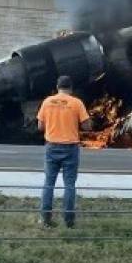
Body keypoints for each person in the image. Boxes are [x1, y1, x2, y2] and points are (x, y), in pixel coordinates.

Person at [36, 75, 91, 228]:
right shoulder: (76, 103)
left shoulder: (47, 102)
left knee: (49, 183)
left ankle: (45, 219)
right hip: (70, 148)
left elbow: (40, 126)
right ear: (71, 88)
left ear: (57, 87)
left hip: (52, 146)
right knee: (69, 185)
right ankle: (69, 221)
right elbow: (87, 126)